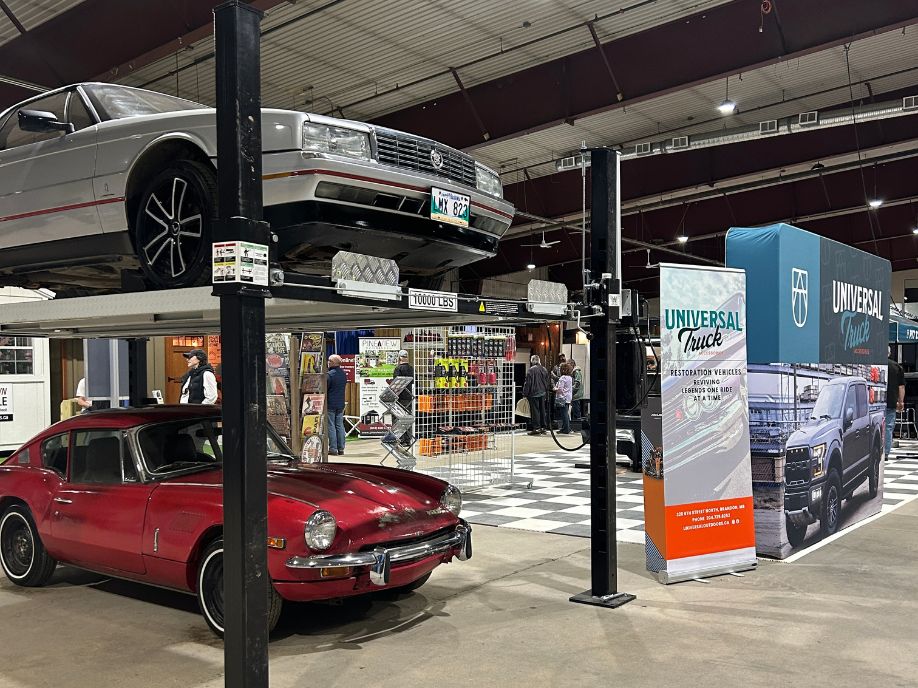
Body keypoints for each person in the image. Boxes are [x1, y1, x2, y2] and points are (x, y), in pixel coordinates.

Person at [522, 354, 550, 435]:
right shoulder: (544, 369)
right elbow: (547, 382)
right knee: (542, 410)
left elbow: (527, 383)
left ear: (532, 361)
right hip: (543, 393)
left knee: (535, 411)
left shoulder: (531, 370)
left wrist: (525, 393)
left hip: (534, 393)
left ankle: (536, 428)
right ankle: (543, 427)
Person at [886, 348, 905, 460]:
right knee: (888, 427)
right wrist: (901, 401)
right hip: (891, 401)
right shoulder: (897, 367)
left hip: (873, 402)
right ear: (889, 353)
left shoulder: (874, 364)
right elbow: (901, 386)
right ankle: (886, 453)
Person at [327, 354, 347, 456]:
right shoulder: (343, 374)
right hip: (340, 403)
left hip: (330, 403)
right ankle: (341, 448)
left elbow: (325, 388)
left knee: (331, 426)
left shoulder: (330, 375)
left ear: (333, 362)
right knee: (339, 425)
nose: (328, 362)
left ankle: (333, 449)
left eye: (329, 361)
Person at [554, 362, 573, 434]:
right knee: (566, 414)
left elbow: (560, 389)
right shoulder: (570, 378)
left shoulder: (562, 378)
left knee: (564, 414)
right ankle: (566, 427)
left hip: (562, 398)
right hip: (568, 398)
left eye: (560, 368)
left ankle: (566, 429)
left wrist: (554, 389)